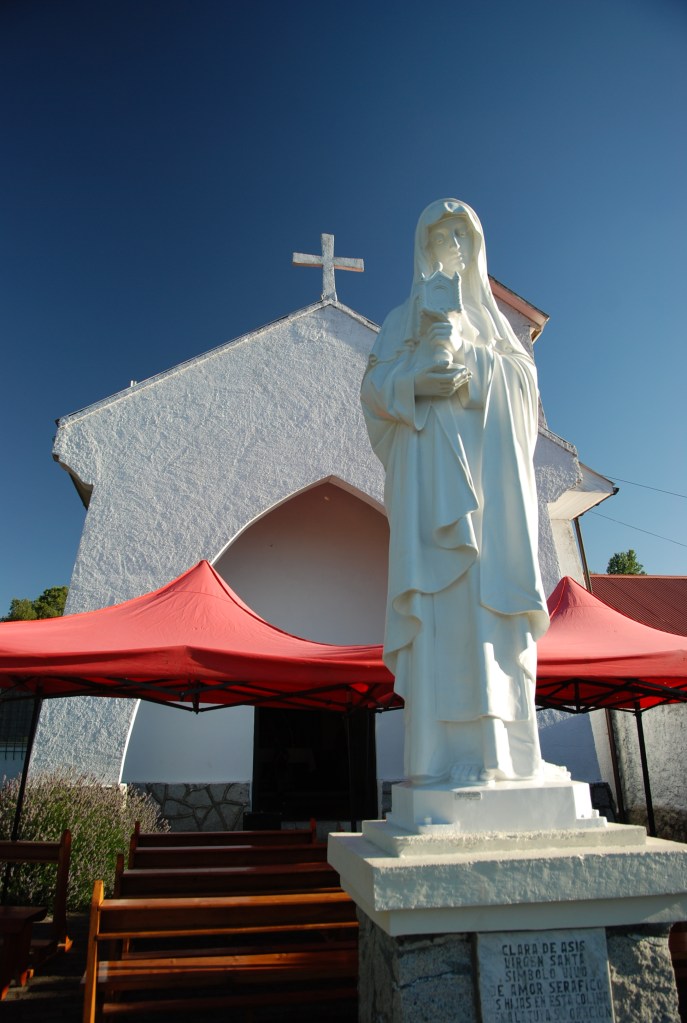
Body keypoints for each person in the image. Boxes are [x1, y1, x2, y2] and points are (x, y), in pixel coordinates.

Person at [361, 199, 550, 785]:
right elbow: (373, 391)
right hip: (430, 491)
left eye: (462, 233)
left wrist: (466, 353)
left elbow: (524, 397)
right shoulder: (399, 321)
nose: (452, 244)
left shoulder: (494, 326)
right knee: (442, 612)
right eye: (440, 233)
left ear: (477, 245)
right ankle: (437, 760)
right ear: (423, 245)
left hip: (492, 506)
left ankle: (509, 758)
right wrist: (416, 379)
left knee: (491, 611)